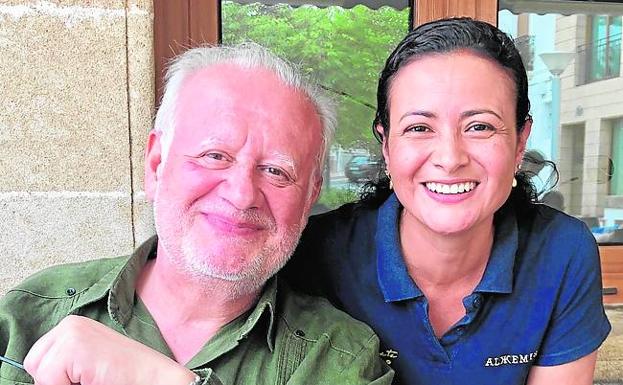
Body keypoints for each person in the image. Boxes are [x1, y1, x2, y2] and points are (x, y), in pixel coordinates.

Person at [0, 44, 393, 385]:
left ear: (309, 198)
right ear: (156, 164)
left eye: (276, 171)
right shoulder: (28, 315)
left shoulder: (337, 357)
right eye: (214, 156)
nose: (241, 195)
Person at [283, 18, 611, 385]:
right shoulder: (316, 255)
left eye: (480, 126)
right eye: (419, 128)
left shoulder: (562, 252)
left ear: (520, 142)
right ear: (386, 145)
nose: (450, 158)